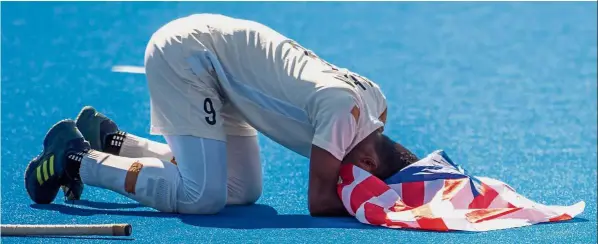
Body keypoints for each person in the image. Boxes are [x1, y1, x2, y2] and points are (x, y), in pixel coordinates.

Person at [24, 14, 419, 216]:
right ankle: (74, 159)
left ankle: (113, 142)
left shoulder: (376, 102)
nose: (359, 185)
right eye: (368, 182)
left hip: (225, 73)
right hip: (190, 56)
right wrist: (386, 208)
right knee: (202, 196)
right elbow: (319, 200)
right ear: (368, 160)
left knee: (240, 190)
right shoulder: (342, 113)